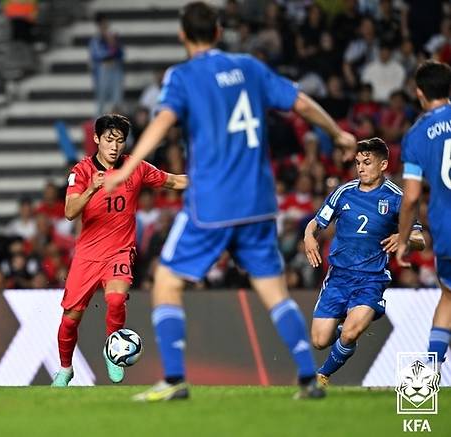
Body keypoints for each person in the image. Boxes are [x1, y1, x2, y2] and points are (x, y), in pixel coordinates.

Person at [104, 2, 356, 401]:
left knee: (166, 283)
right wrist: (338, 132)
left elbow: (163, 121)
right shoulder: (251, 68)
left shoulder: (182, 76)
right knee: (274, 292)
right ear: (219, 31)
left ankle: (173, 381)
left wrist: (125, 168)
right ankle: (308, 379)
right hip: (258, 203)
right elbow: (301, 103)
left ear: (183, 36)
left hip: (212, 204)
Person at [51, 114, 188, 387]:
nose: (114, 146)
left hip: (120, 252)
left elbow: (173, 181)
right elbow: (69, 212)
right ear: (96, 139)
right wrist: (91, 189)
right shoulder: (81, 172)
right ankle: (65, 369)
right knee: (71, 319)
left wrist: (211, 181)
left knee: (115, 300)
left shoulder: (134, 168)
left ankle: (112, 355)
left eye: (120, 141)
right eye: (109, 140)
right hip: (87, 256)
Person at [303, 138, 425, 386]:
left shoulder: (396, 198)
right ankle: (348, 331)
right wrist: (308, 236)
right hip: (338, 277)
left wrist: (403, 237)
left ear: (382, 165)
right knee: (319, 340)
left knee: (349, 332)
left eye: (367, 162)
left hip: (371, 279)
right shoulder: (343, 192)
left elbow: (419, 238)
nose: (360, 168)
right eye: (358, 162)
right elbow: (316, 222)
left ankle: (322, 375)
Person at [397, 60, 451, 368]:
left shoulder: (416, 135)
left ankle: (430, 369)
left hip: (446, 229)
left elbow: (412, 197)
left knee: (449, 296)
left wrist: (404, 239)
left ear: (419, 93)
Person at [89, 13, 124, 116]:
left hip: (115, 69)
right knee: (101, 103)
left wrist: (113, 44)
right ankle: (98, 128)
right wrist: (110, 50)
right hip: (102, 72)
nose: (105, 25)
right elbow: (98, 55)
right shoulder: (96, 40)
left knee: (117, 100)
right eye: (102, 24)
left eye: (106, 23)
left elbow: (121, 54)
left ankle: (118, 126)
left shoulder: (113, 37)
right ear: (99, 25)